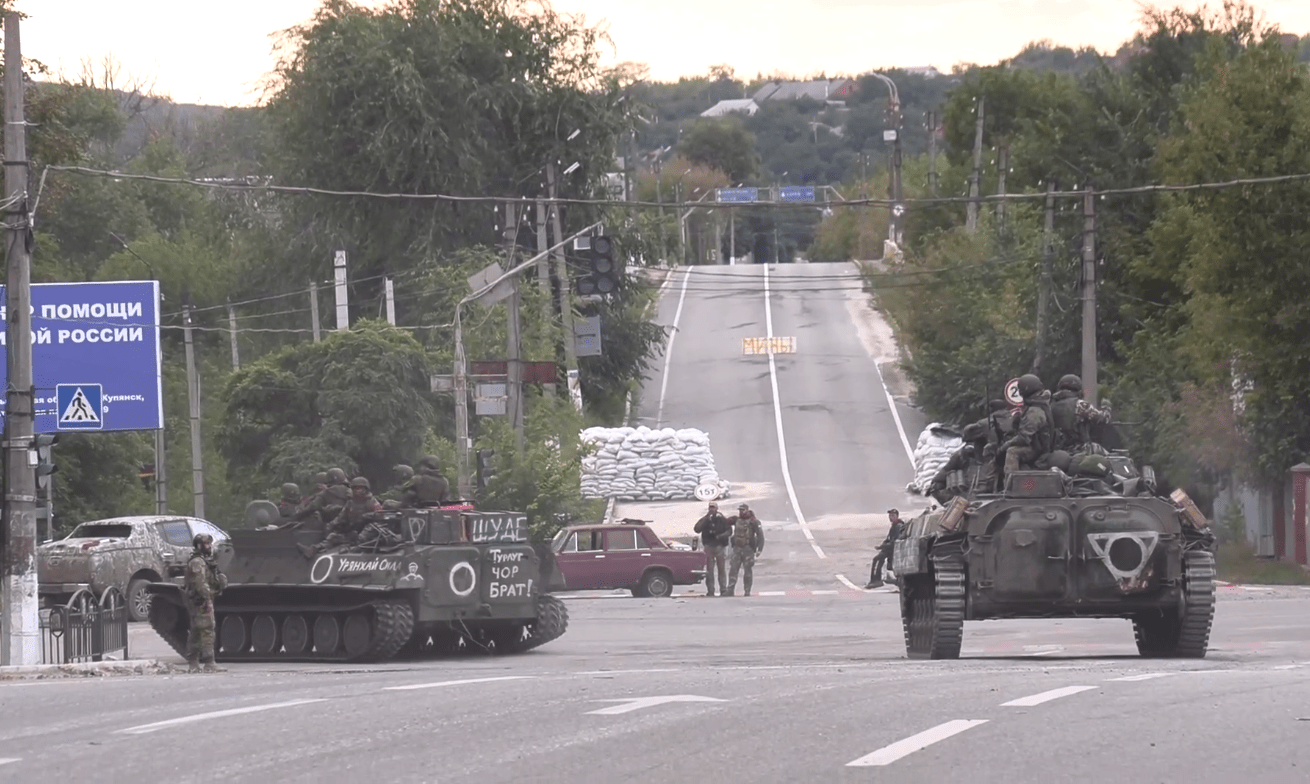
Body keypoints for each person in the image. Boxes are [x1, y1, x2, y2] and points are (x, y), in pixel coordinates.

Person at [298, 477, 383, 559]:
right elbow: (341, 516)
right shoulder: (351, 502)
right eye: (355, 488)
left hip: (366, 532)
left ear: (366, 489)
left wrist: (368, 517)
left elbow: (381, 516)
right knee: (332, 537)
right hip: (351, 530)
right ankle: (313, 549)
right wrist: (331, 525)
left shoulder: (372, 502)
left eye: (360, 488)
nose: (358, 491)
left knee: (362, 535)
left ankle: (350, 545)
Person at [999, 374, 1054, 483]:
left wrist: (1004, 446)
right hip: (1040, 445)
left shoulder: (1035, 410)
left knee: (1012, 452)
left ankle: (1012, 485)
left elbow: (1024, 438)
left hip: (1038, 449)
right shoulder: (1041, 403)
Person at [185, 533, 228, 673]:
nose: (209, 546)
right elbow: (200, 583)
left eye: (209, 543)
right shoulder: (197, 562)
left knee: (197, 631)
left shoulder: (205, 561)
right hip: (200, 601)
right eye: (206, 544)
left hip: (201, 599)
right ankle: (209, 663)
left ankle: (193, 663)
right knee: (207, 629)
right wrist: (207, 597)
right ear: (198, 545)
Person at [1050, 374, 1112, 455]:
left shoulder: (1051, 405)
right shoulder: (1080, 404)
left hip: (1057, 452)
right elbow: (1102, 419)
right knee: (1110, 458)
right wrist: (1106, 407)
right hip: (1079, 450)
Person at [724, 503, 765, 597]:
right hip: (737, 549)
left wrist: (759, 549)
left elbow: (760, 535)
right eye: (740, 510)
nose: (741, 512)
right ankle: (730, 589)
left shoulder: (753, 521)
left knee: (747, 570)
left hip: (748, 549)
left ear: (747, 510)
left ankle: (747, 590)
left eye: (743, 510)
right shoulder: (736, 520)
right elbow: (725, 522)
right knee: (733, 569)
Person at [693, 502, 732, 596]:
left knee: (721, 569)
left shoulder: (722, 519)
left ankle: (723, 589)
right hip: (709, 546)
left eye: (713, 508)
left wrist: (721, 536)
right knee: (709, 570)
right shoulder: (706, 519)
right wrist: (705, 518)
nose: (712, 510)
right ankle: (710, 590)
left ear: (717, 509)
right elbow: (697, 529)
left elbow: (729, 531)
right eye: (710, 508)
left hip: (720, 546)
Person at [867, 509, 905, 588]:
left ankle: (876, 580)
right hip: (889, 548)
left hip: (893, 549)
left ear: (897, 516)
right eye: (890, 516)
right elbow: (889, 538)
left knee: (877, 559)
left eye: (893, 516)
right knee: (878, 559)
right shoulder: (894, 526)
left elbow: (895, 541)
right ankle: (876, 580)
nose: (891, 517)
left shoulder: (898, 526)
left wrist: (884, 546)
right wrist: (882, 545)